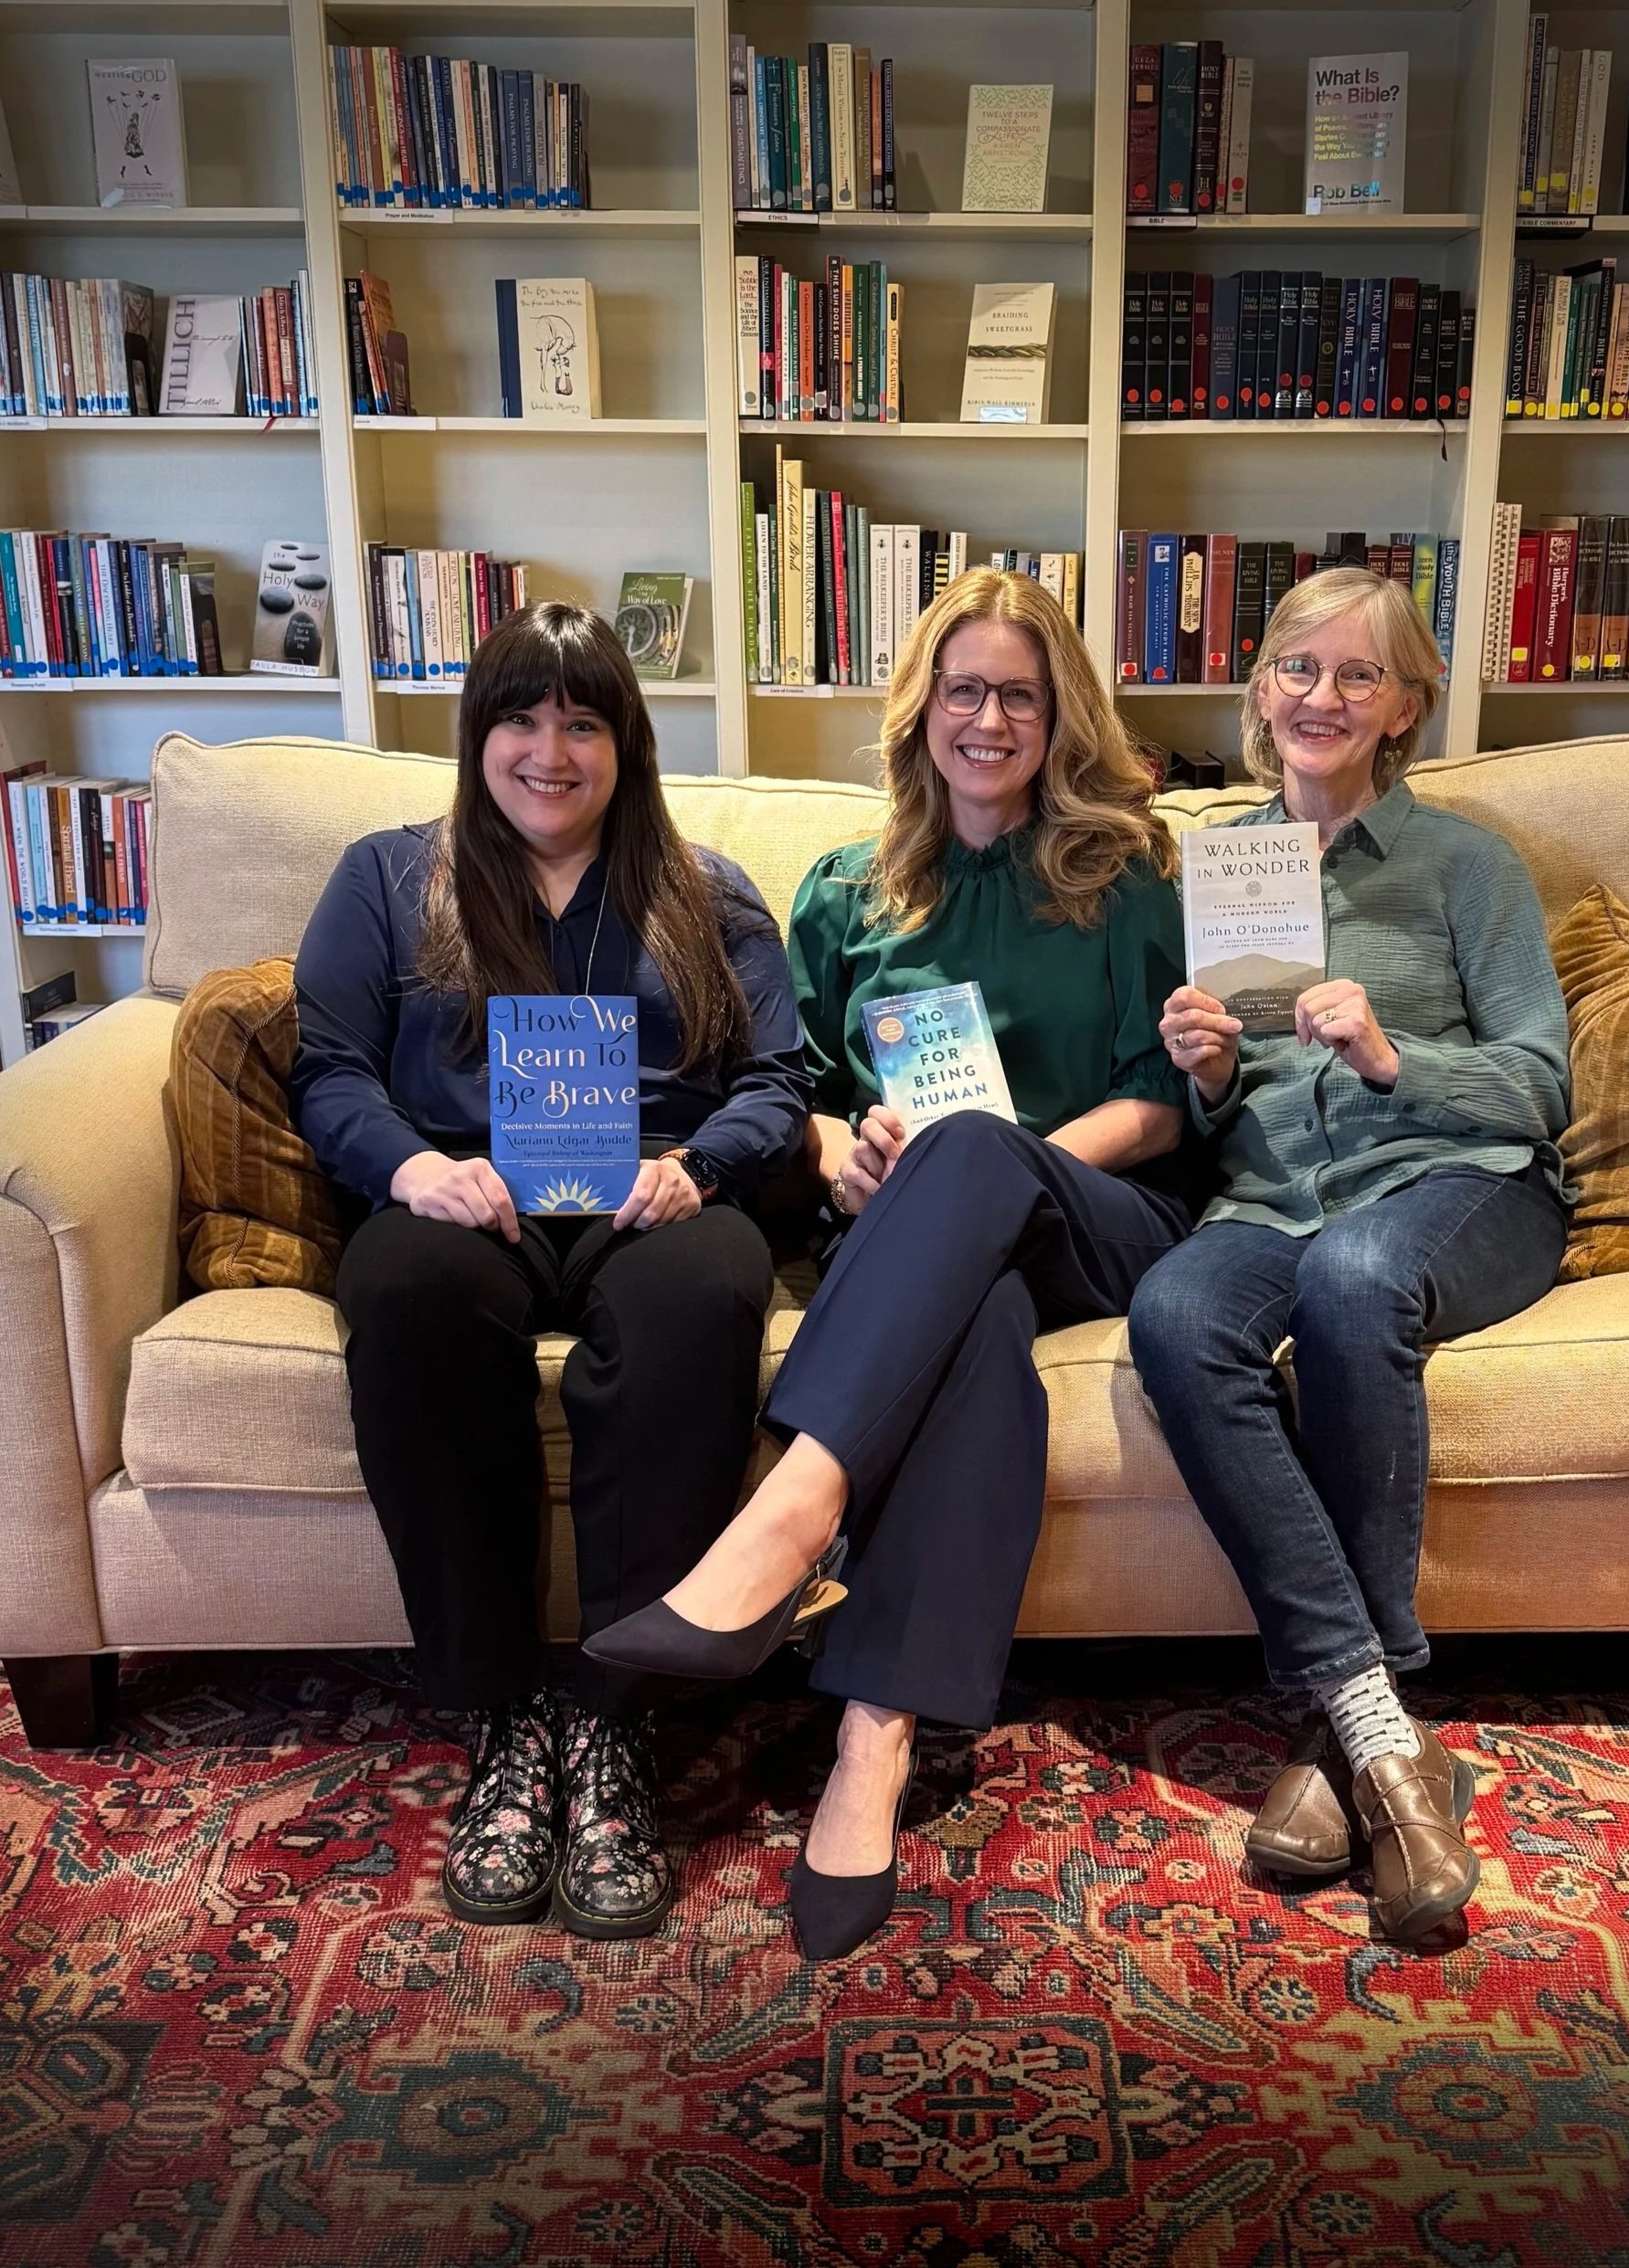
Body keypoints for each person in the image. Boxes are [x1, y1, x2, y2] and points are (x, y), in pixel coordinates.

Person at [585, 567, 1193, 1960]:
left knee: (975, 1155)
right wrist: (837, 1153)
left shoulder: (1128, 873)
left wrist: (986, 1163)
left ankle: (785, 1523)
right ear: (922, 709)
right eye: (963, 690)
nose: (989, 719)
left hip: (1099, 1214)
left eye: (1019, 696)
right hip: (926, 1247)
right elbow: (789, 1090)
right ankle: (873, 1738)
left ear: (1059, 716)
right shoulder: (847, 890)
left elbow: (1160, 1103)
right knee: (969, 1318)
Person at [289, 602, 809, 1941]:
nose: (549, 750)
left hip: (654, 1188)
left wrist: (702, 1163)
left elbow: (777, 1080)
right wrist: (408, 1170)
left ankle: (616, 1717)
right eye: (519, 717)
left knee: (703, 1297)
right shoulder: (387, 877)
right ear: (477, 737)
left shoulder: (708, 890)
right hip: (464, 1191)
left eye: (583, 721)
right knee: (404, 1292)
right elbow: (330, 1070)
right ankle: (504, 1709)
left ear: (624, 743)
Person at [1127, 564, 1571, 1945]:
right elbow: (1219, 1117)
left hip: (1457, 1185)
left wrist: (1391, 1055)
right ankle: (1372, 1727)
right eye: (1295, 669)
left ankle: (1347, 1731)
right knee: (1172, 1308)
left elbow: (1541, 1089)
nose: (1320, 696)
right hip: (1267, 1200)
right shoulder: (1220, 863)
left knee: (1354, 1278)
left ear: (1404, 706)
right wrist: (1202, 1074)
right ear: (1259, 692)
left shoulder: (1465, 864)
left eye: (1357, 676)